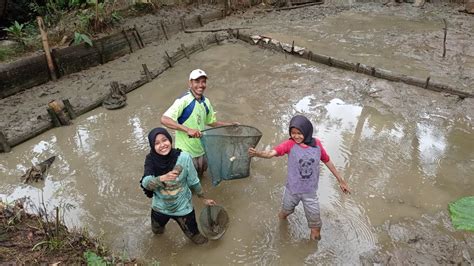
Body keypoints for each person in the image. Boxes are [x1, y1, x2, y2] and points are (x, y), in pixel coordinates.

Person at [248, 115, 350, 241]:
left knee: (316, 227)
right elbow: (271, 153)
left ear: (307, 131)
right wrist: (258, 154)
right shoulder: (289, 144)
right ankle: (281, 230)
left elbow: (328, 161)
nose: (296, 136)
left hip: (310, 193)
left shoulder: (317, 145)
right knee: (284, 213)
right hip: (292, 191)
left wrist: (341, 181)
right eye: (293, 133)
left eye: (299, 133)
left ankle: (312, 250)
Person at [140, 127, 216, 245]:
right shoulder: (151, 160)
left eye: (164, 140)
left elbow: (194, 182)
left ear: (170, 140)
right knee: (157, 232)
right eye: (156, 143)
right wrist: (162, 178)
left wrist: (203, 199)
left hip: (183, 208)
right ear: (152, 146)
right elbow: (145, 183)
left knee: (198, 239)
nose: (162, 145)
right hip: (159, 208)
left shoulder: (184, 158)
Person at [161, 69, 237, 178]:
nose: (201, 85)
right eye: (197, 81)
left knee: (201, 175)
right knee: (186, 179)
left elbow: (211, 122)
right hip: (185, 152)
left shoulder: (206, 102)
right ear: (190, 83)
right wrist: (188, 130)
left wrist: (229, 125)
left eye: (203, 82)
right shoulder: (184, 100)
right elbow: (164, 119)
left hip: (201, 149)